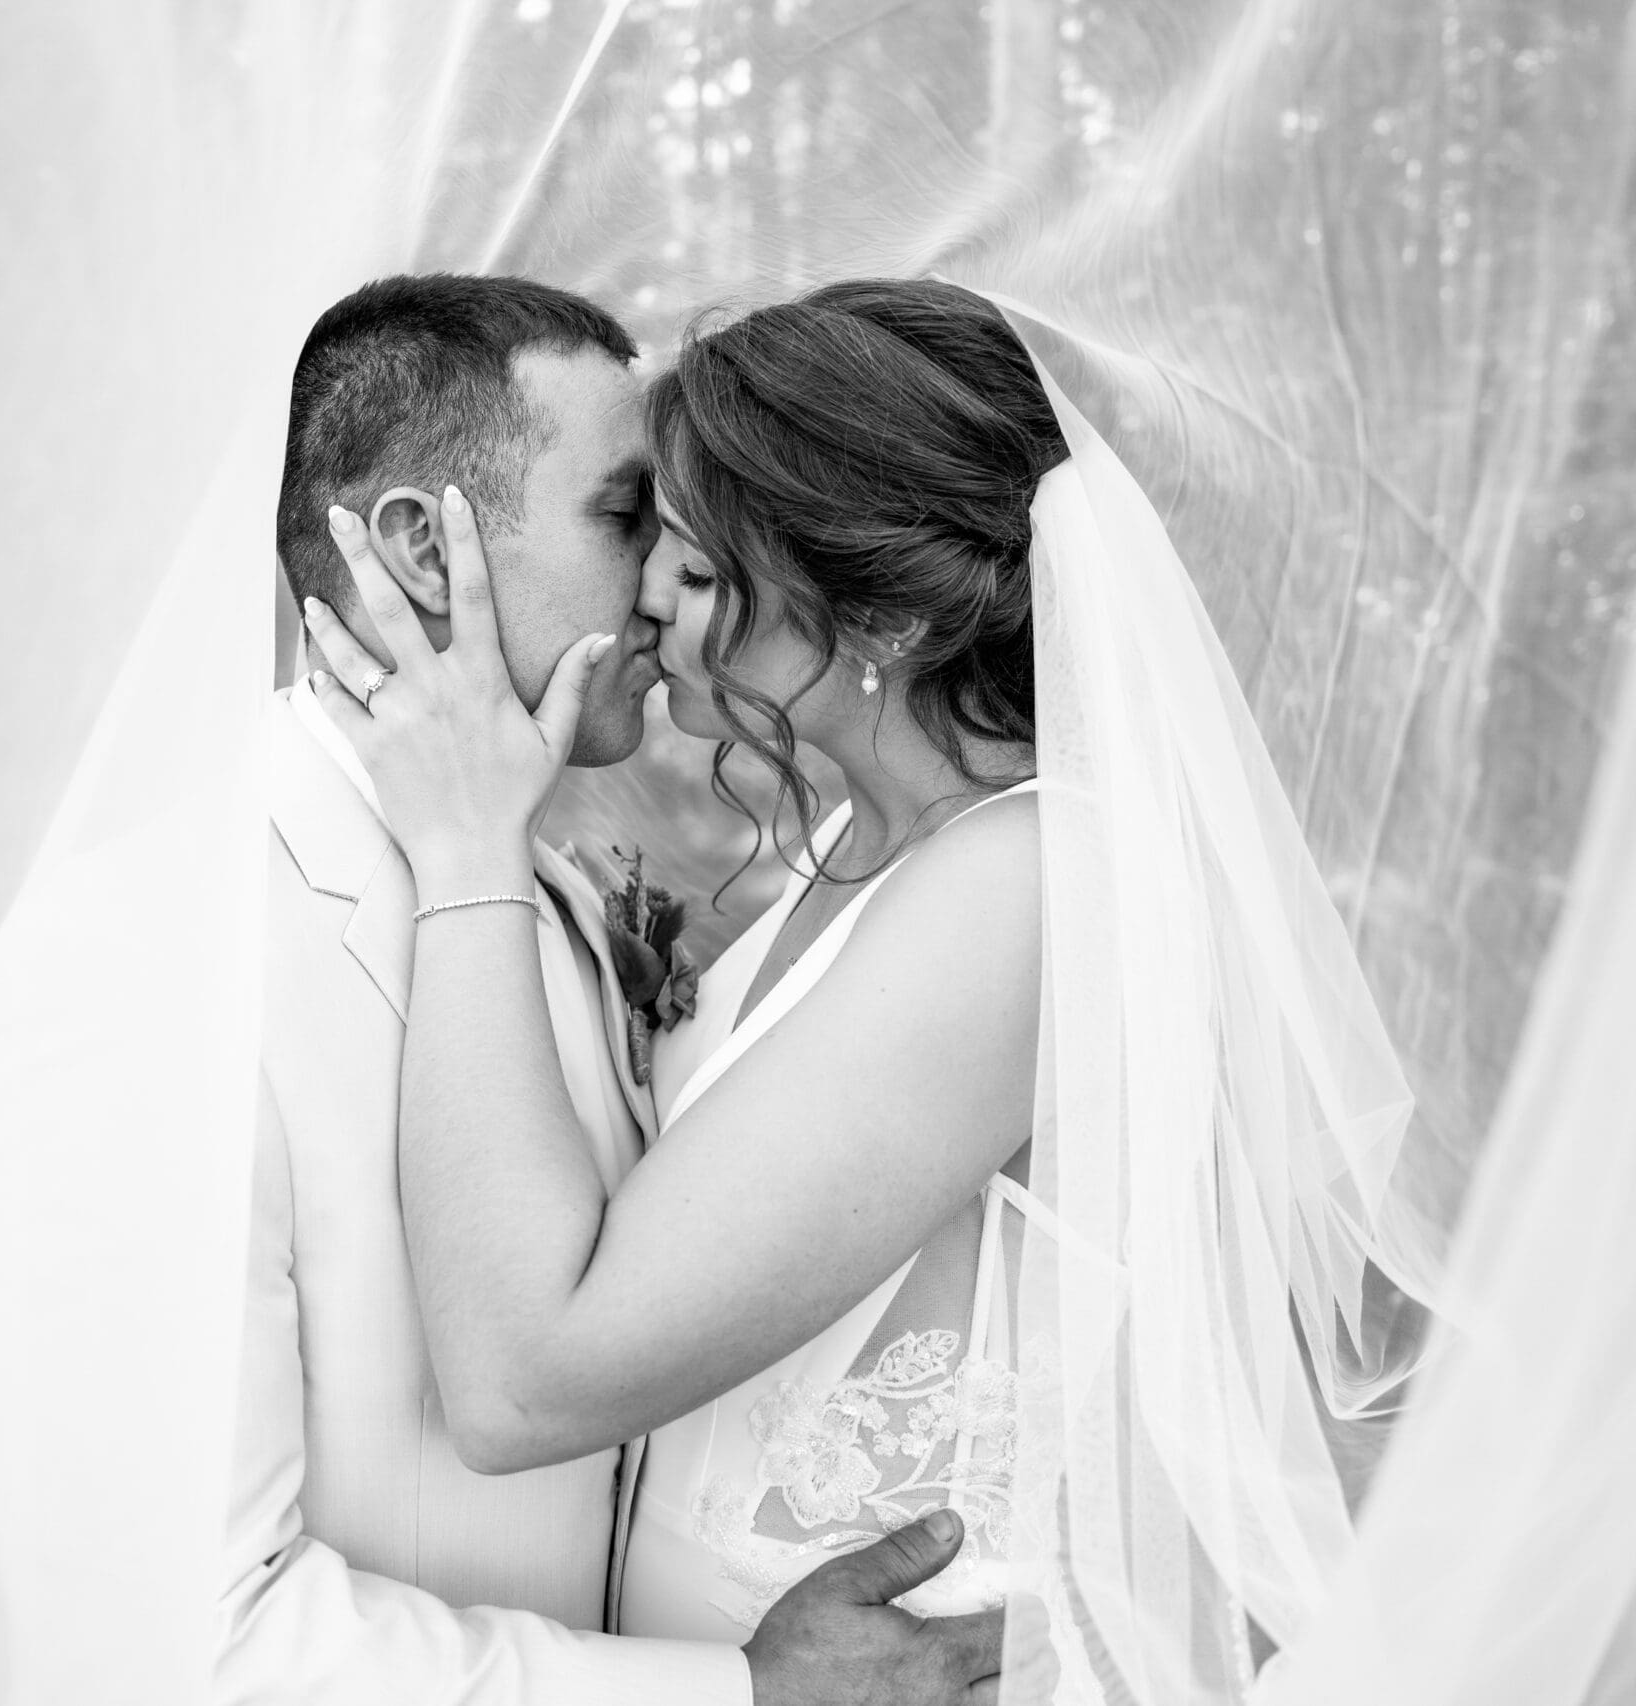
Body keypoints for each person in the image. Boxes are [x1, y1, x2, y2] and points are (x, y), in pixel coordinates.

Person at [302, 277, 1431, 1690]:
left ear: (880, 615)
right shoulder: (863, 844)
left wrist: (469, 841)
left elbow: (528, 1377)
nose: (646, 595)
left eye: (699, 572)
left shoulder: (1024, 886)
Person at [0, 272, 1005, 1706]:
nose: (670, 581)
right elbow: (164, 1647)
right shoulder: (141, 962)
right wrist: (735, 1695)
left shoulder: (521, 880)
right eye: (624, 516)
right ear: (424, 550)